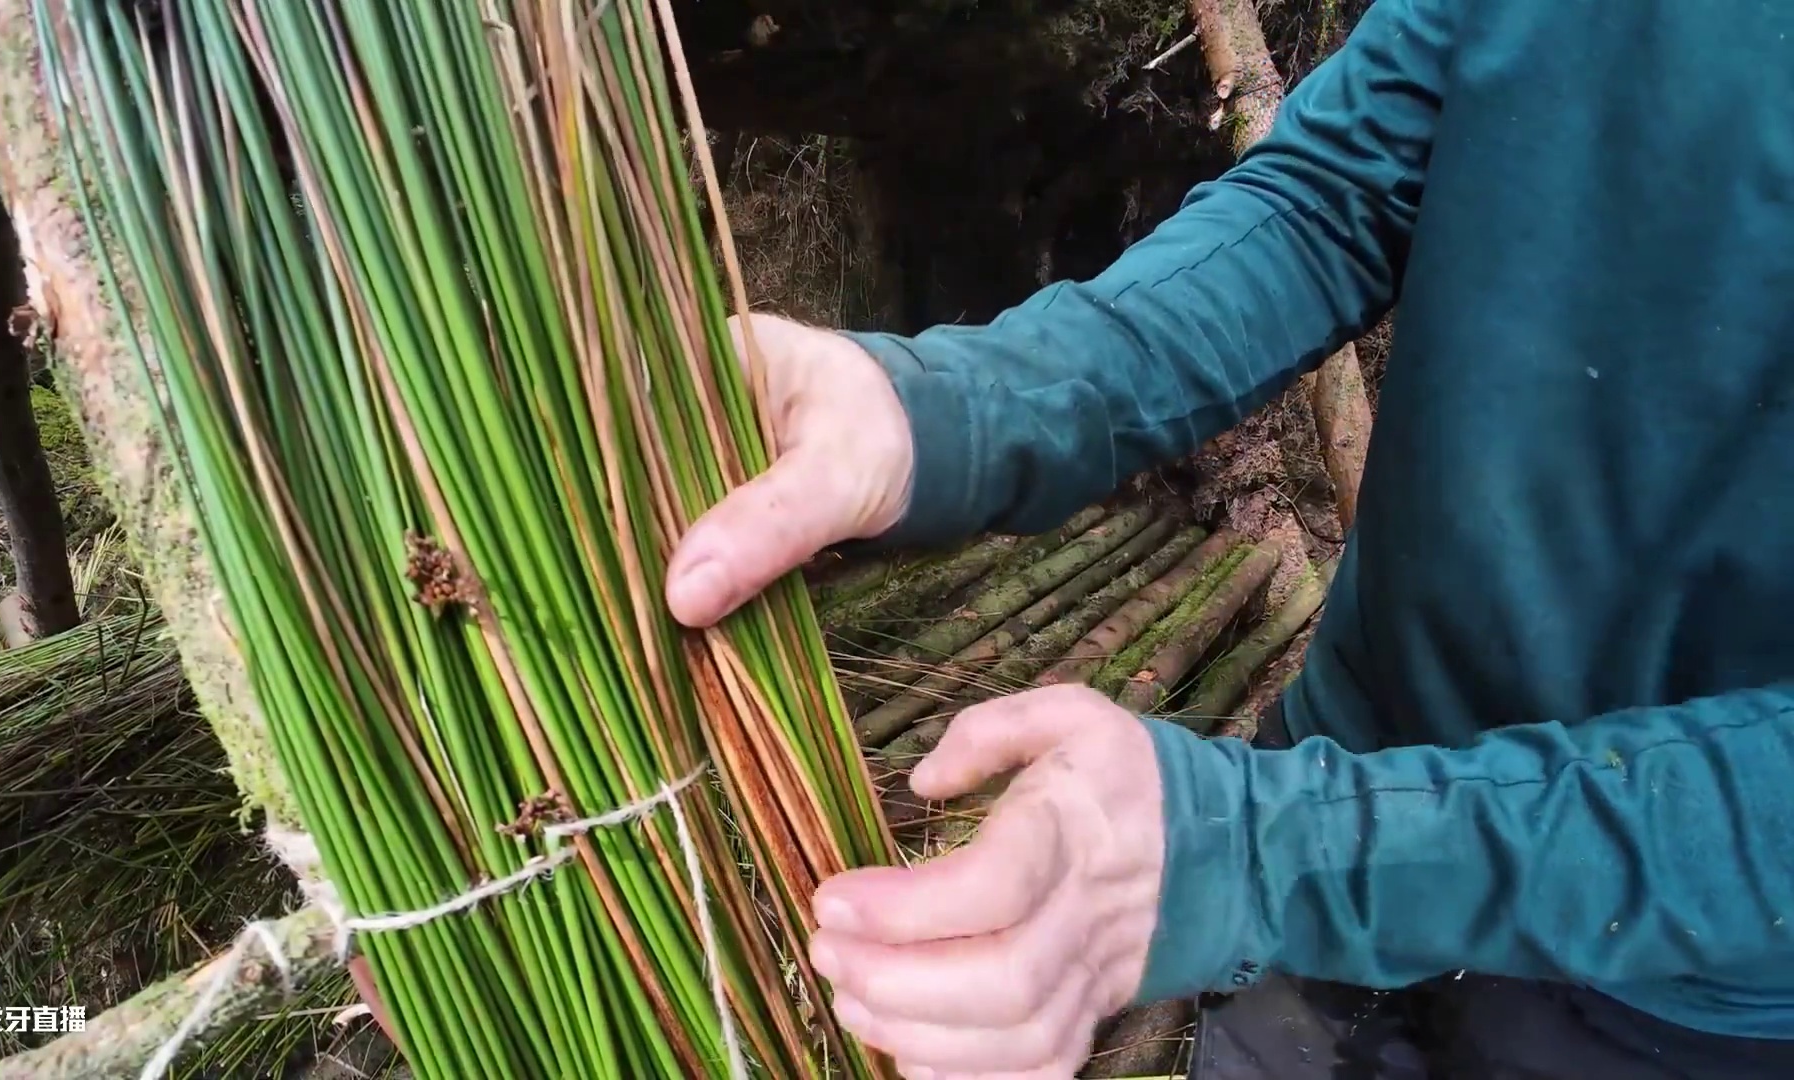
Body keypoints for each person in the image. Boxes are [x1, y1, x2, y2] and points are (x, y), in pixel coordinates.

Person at [346, 0, 1794, 1075]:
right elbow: (1340, 193)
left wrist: (1273, 856)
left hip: (1681, 980)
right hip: (1338, 762)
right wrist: (943, 411)